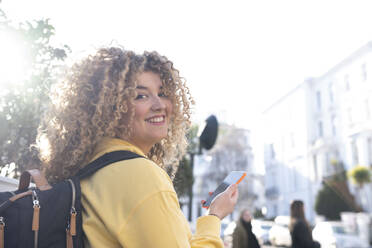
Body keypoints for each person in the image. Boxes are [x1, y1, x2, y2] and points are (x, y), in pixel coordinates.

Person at [36, 47, 239, 247]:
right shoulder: (139, 175)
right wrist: (214, 217)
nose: (160, 105)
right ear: (110, 108)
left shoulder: (89, 169)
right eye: (140, 96)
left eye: (162, 93)